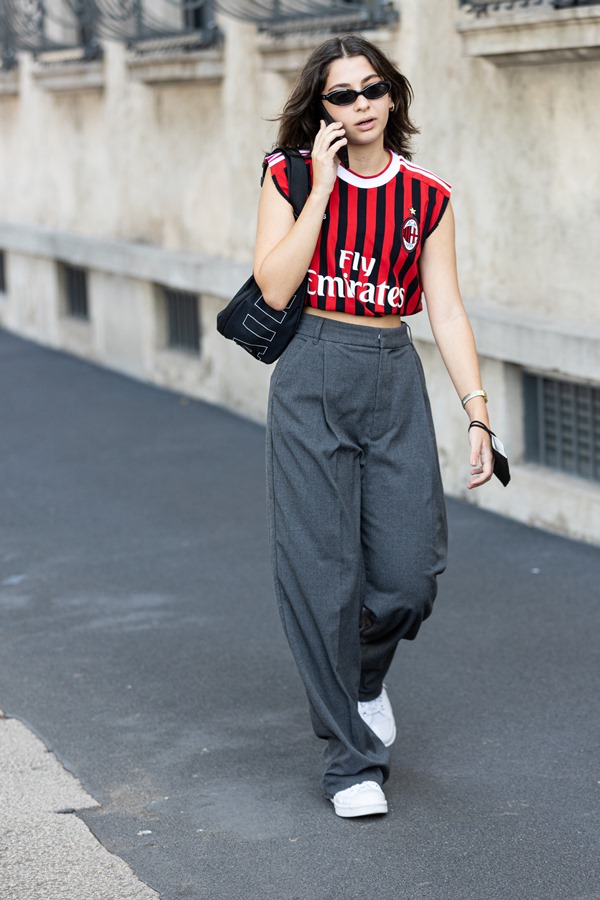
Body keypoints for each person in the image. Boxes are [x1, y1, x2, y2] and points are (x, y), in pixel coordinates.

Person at [253, 34, 493, 819]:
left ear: (393, 96)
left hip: (393, 373)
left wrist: (478, 414)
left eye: (371, 90)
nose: (358, 106)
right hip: (313, 367)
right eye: (340, 95)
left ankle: (362, 678)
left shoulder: (428, 195)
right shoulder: (287, 174)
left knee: (409, 575)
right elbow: (277, 283)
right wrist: (320, 188)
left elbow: (447, 309)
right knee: (322, 575)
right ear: (319, 109)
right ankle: (349, 761)